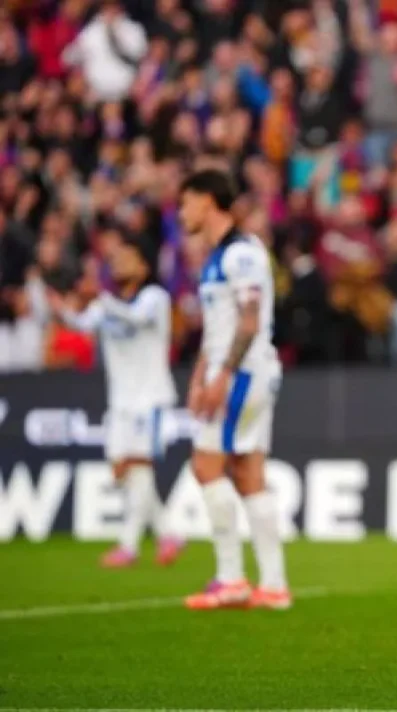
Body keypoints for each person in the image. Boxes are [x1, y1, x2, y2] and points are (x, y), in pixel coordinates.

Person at [178, 169, 291, 611]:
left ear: (208, 200)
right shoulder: (221, 256)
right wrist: (199, 376)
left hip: (242, 372)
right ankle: (274, 585)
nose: (182, 213)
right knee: (247, 472)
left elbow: (249, 319)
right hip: (241, 369)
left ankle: (230, 579)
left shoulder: (240, 253)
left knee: (206, 465)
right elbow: (218, 328)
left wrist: (222, 375)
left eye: (187, 202)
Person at [48, 237, 184, 569]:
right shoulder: (103, 306)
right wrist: (59, 307)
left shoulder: (155, 299)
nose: (119, 263)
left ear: (143, 267)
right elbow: (81, 324)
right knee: (121, 468)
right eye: (116, 259)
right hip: (121, 400)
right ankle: (167, 532)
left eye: (127, 257)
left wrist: (101, 298)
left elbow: (135, 318)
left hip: (150, 398)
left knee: (138, 465)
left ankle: (129, 546)